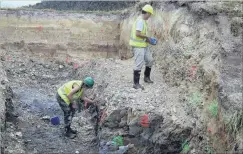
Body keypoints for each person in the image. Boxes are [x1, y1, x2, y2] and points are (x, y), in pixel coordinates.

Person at [129, 4, 157, 89]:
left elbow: (142, 35)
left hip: (144, 45)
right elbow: (138, 34)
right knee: (139, 64)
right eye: (150, 14)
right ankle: (136, 83)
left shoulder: (143, 21)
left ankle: (146, 77)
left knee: (150, 60)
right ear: (147, 13)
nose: (150, 16)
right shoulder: (140, 21)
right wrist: (148, 37)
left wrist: (150, 41)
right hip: (138, 46)